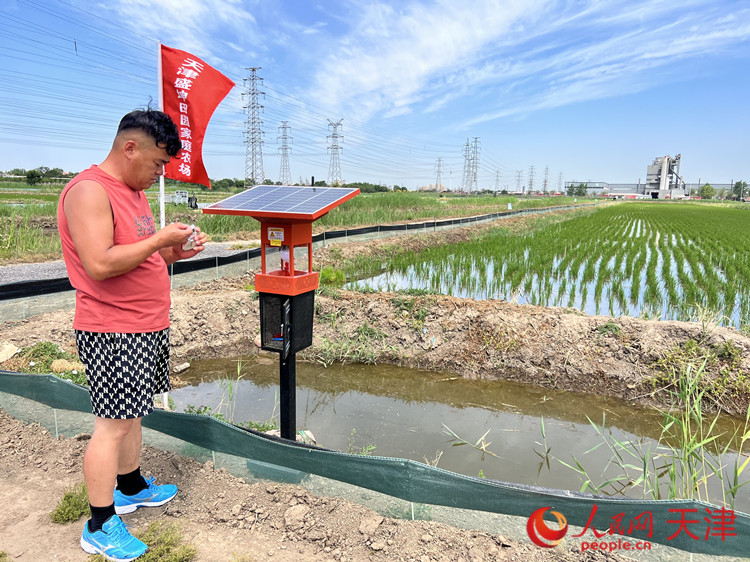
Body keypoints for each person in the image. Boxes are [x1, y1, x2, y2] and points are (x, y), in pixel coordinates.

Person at [57, 108, 207, 561]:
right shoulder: (89, 191)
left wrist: (174, 252)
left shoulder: (133, 193)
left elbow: (143, 258)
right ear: (130, 148)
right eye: (158, 163)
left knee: (133, 416)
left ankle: (131, 485)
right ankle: (100, 523)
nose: (159, 173)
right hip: (114, 329)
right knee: (112, 426)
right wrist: (160, 240)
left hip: (144, 325)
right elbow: (100, 264)